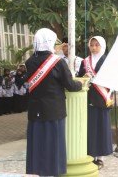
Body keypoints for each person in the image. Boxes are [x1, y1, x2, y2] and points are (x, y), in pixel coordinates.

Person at [25, 28, 82, 176]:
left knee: (38, 144)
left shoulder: (29, 62)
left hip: (35, 111)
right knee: (53, 145)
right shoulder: (57, 62)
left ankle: (38, 172)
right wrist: (81, 84)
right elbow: (70, 85)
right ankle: (53, 172)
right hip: (53, 111)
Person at [78, 36, 113, 169]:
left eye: (96, 45)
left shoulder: (107, 61)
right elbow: (79, 76)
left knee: (101, 127)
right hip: (89, 98)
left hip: (103, 98)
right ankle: (91, 155)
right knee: (91, 127)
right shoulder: (85, 61)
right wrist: (84, 77)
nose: (94, 47)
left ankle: (100, 157)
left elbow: (112, 79)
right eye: (92, 45)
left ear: (102, 46)